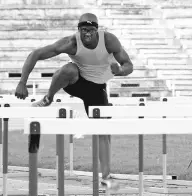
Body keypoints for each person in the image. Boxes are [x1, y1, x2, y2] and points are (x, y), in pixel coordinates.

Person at [14, 13, 133, 188]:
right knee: (68, 69)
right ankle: (49, 98)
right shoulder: (71, 43)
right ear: (78, 30)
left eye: (92, 30)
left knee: (103, 132)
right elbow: (35, 54)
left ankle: (106, 176)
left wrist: (120, 71)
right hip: (77, 82)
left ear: (97, 30)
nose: (88, 34)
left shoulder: (109, 41)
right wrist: (22, 82)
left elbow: (129, 65)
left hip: (97, 90)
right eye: (84, 30)